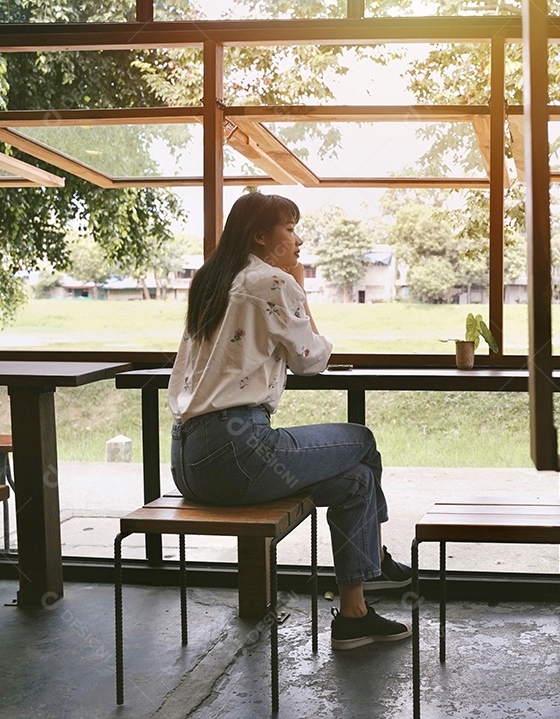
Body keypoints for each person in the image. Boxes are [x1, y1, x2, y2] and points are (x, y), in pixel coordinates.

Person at [168, 191, 411, 650]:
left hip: (188, 460)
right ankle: (375, 557)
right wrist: (298, 286)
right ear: (261, 236)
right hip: (237, 451)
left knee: (356, 481)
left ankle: (355, 615)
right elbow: (311, 359)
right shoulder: (272, 282)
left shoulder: (213, 280)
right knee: (362, 439)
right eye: (290, 229)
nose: (298, 239)